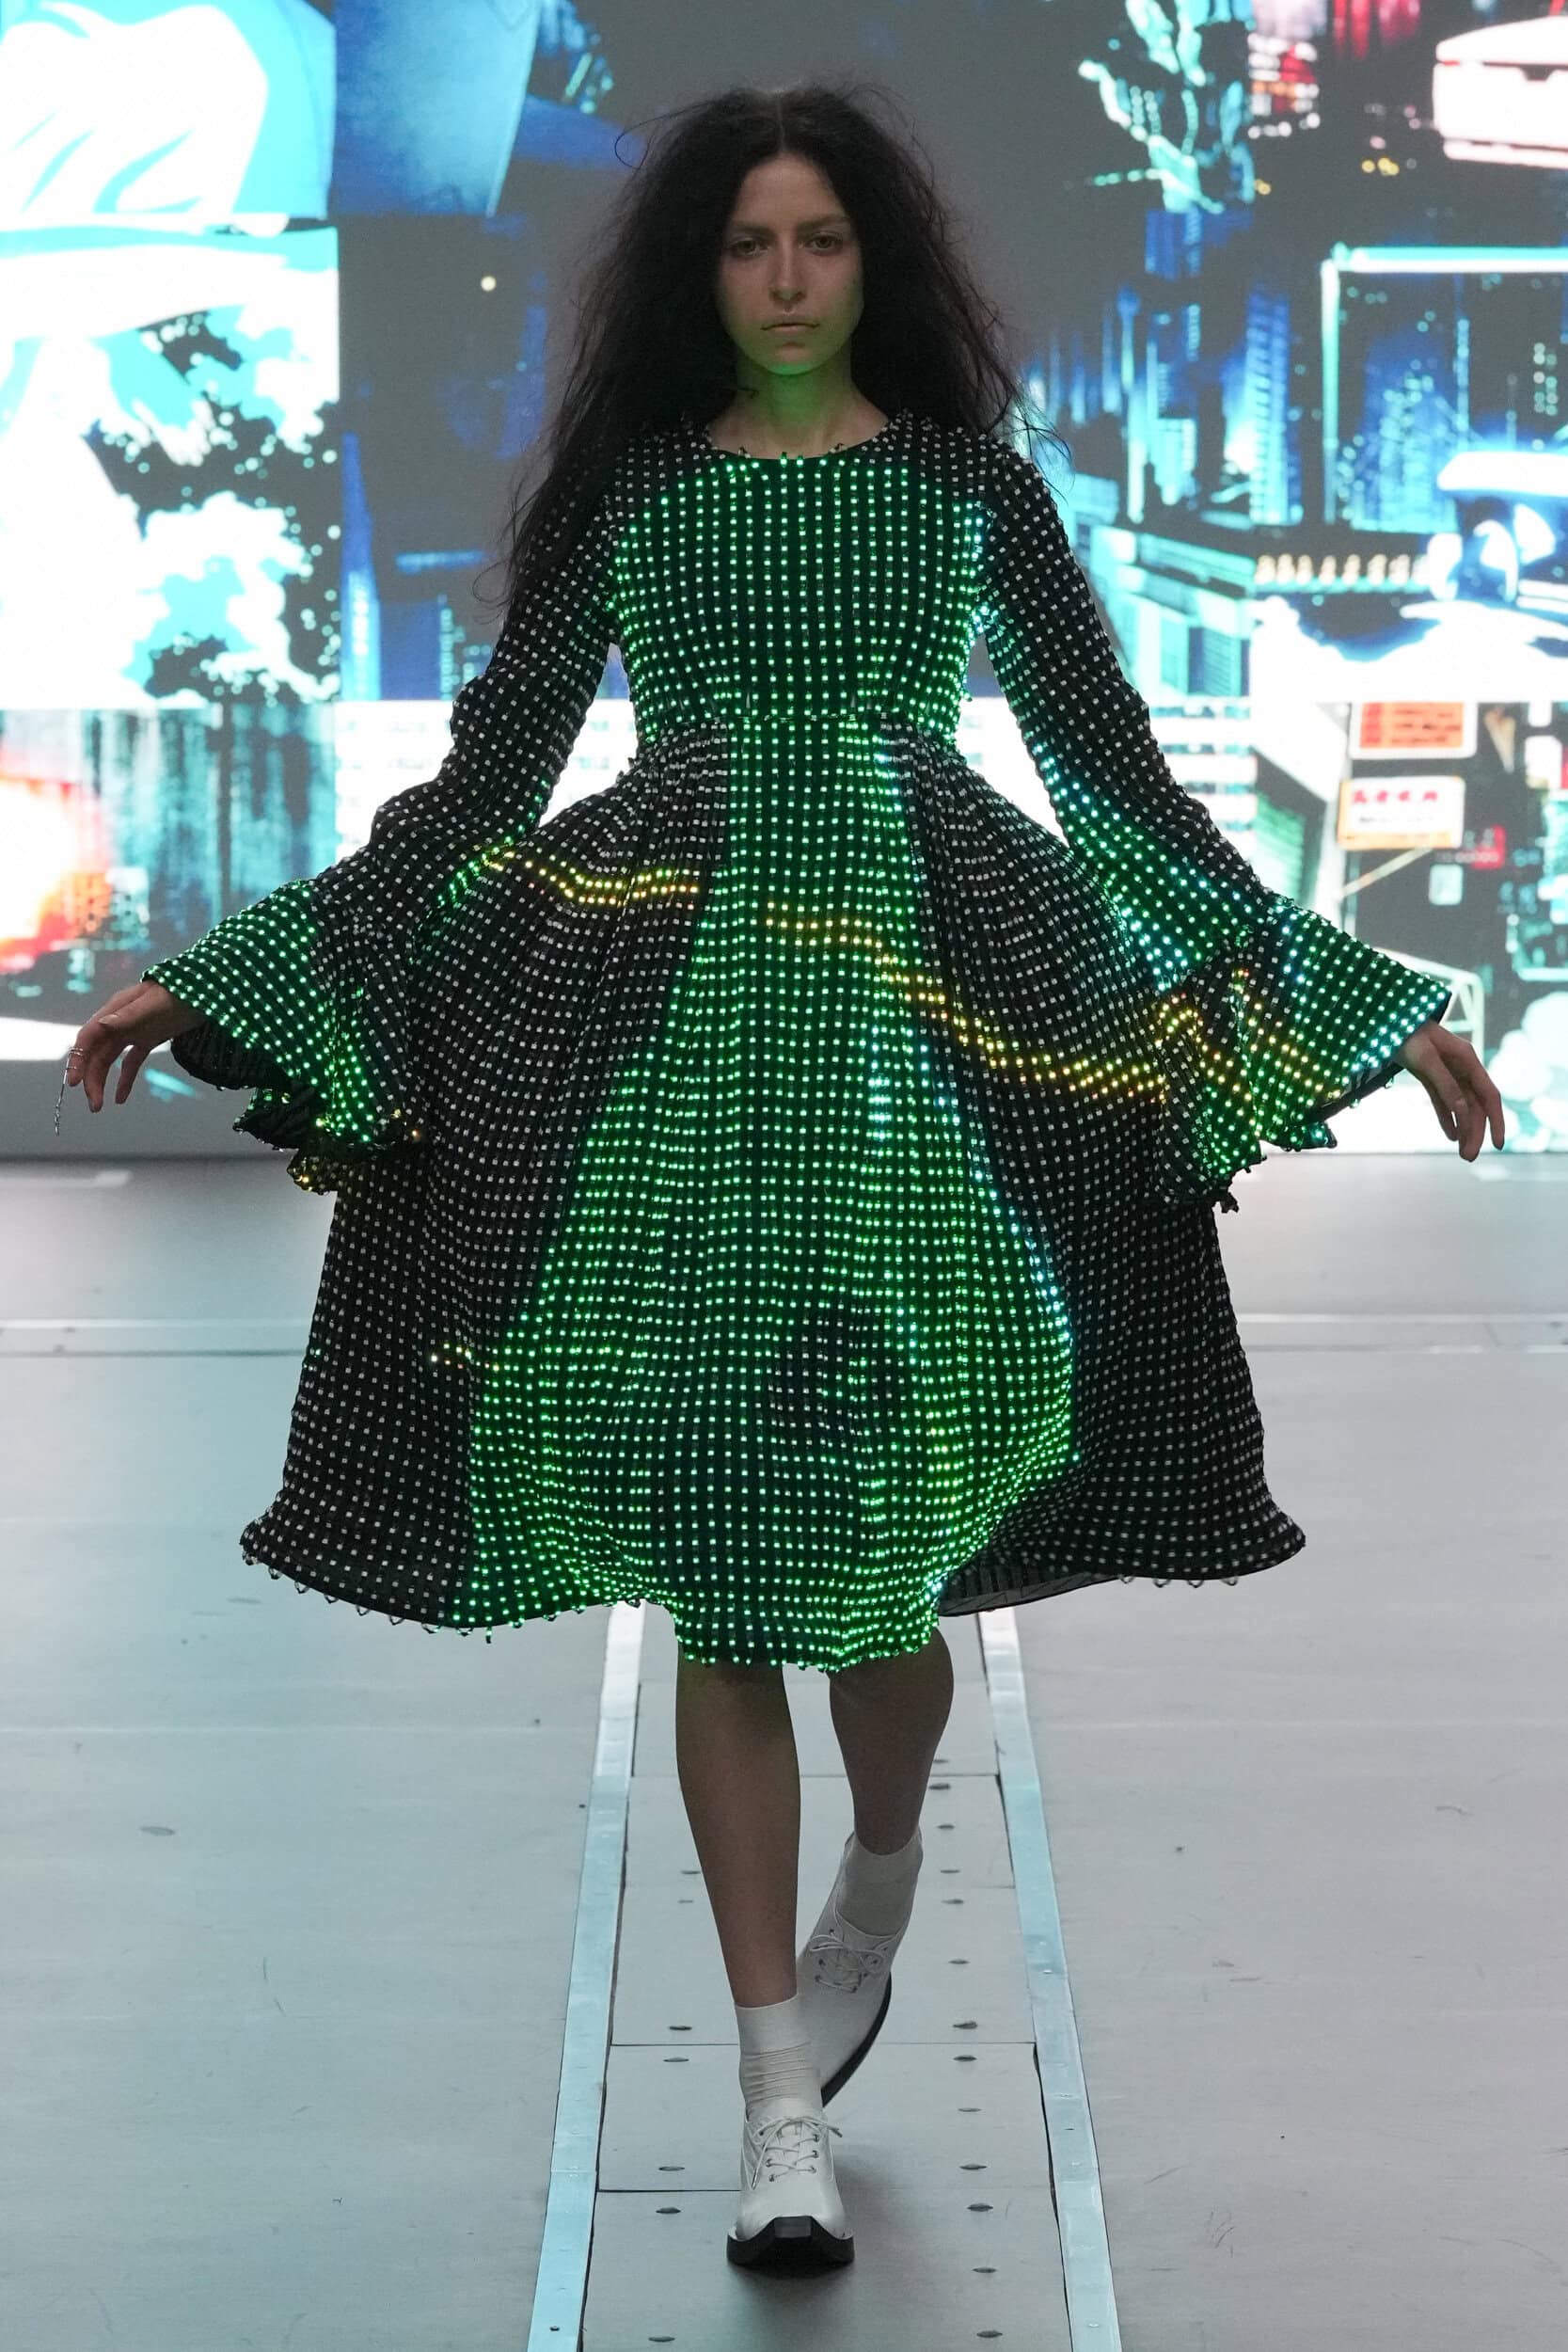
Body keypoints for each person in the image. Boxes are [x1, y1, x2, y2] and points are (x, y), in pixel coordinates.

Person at [58, 84, 1505, 2277]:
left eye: (821, 237)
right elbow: (474, 796)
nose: (789, 277)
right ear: (700, 270)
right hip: (669, 1051)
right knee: (721, 1565)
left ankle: (883, 1866)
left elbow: (1125, 794)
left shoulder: (967, 490)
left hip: (922, 1035)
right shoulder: (636, 493)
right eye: (750, 242)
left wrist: (1366, 1000)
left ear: (875, 258)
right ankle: (771, 2103)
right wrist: (227, 965)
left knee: (888, 1585)